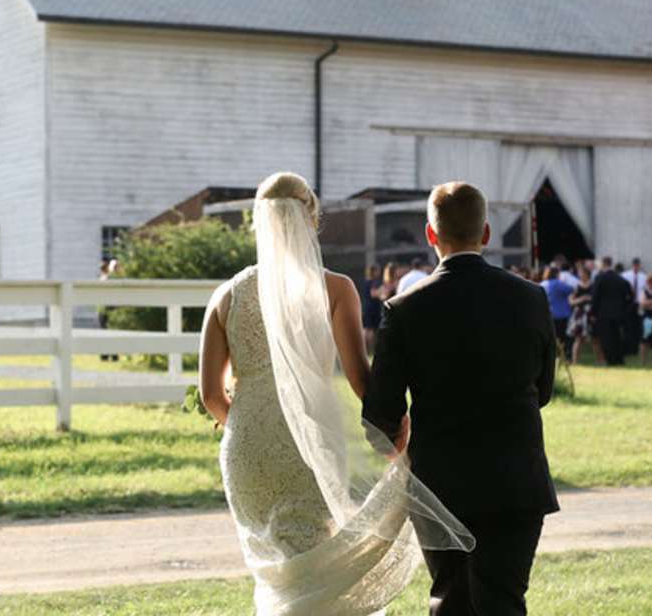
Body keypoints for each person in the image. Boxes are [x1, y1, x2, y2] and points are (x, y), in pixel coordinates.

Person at [197, 173, 473, 614]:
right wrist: (394, 428)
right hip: (307, 444)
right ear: (312, 217)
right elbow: (361, 380)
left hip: (245, 447)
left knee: (279, 574)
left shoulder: (226, 296)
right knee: (314, 571)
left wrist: (252, 426)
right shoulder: (335, 288)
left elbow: (211, 393)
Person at [363, 180, 556, 616]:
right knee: (504, 600)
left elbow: (380, 415)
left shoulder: (404, 308)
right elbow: (542, 390)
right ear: (486, 233)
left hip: (440, 481)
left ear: (430, 235)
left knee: (450, 598)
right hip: (516, 474)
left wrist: (395, 441)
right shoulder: (530, 298)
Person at [589, 257, 633, 367]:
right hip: (618, 314)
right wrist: (624, 309)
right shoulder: (620, 278)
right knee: (617, 337)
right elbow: (630, 296)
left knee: (606, 338)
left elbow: (595, 297)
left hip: (603, 314)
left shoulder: (599, 278)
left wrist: (592, 313)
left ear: (603, 264)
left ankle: (610, 360)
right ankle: (619, 359)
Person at [539, 266, 574, 359]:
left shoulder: (543, 284)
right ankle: (563, 355)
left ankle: (553, 355)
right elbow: (571, 289)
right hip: (562, 314)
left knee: (551, 337)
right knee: (563, 337)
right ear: (557, 274)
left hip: (548, 314)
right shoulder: (559, 284)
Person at [568, 265, 593, 365]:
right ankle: (575, 361)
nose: (580, 275)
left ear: (587, 274)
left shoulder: (593, 285)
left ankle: (600, 359)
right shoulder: (577, 286)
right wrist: (582, 299)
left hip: (590, 313)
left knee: (590, 339)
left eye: (582, 273)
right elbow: (571, 301)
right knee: (578, 338)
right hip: (579, 314)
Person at [360, 262, 387, 354]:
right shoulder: (374, 282)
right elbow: (374, 293)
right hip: (372, 308)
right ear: (374, 271)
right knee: (371, 330)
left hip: (365, 307)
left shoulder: (365, 281)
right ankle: (370, 350)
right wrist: (382, 292)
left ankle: (364, 349)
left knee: (366, 329)